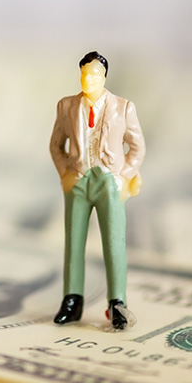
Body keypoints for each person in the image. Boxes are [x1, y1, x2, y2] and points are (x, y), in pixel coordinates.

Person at [49, 51, 145, 330]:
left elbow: (137, 147)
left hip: (108, 182)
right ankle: (72, 299)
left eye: (94, 74)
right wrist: (65, 173)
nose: (88, 79)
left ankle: (117, 303)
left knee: (114, 244)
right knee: (73, 242)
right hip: (78, 181)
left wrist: (121, 176)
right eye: (84, 73)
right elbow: (56, 144)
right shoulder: (66, 106)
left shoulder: (123, 107)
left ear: (104, 77)